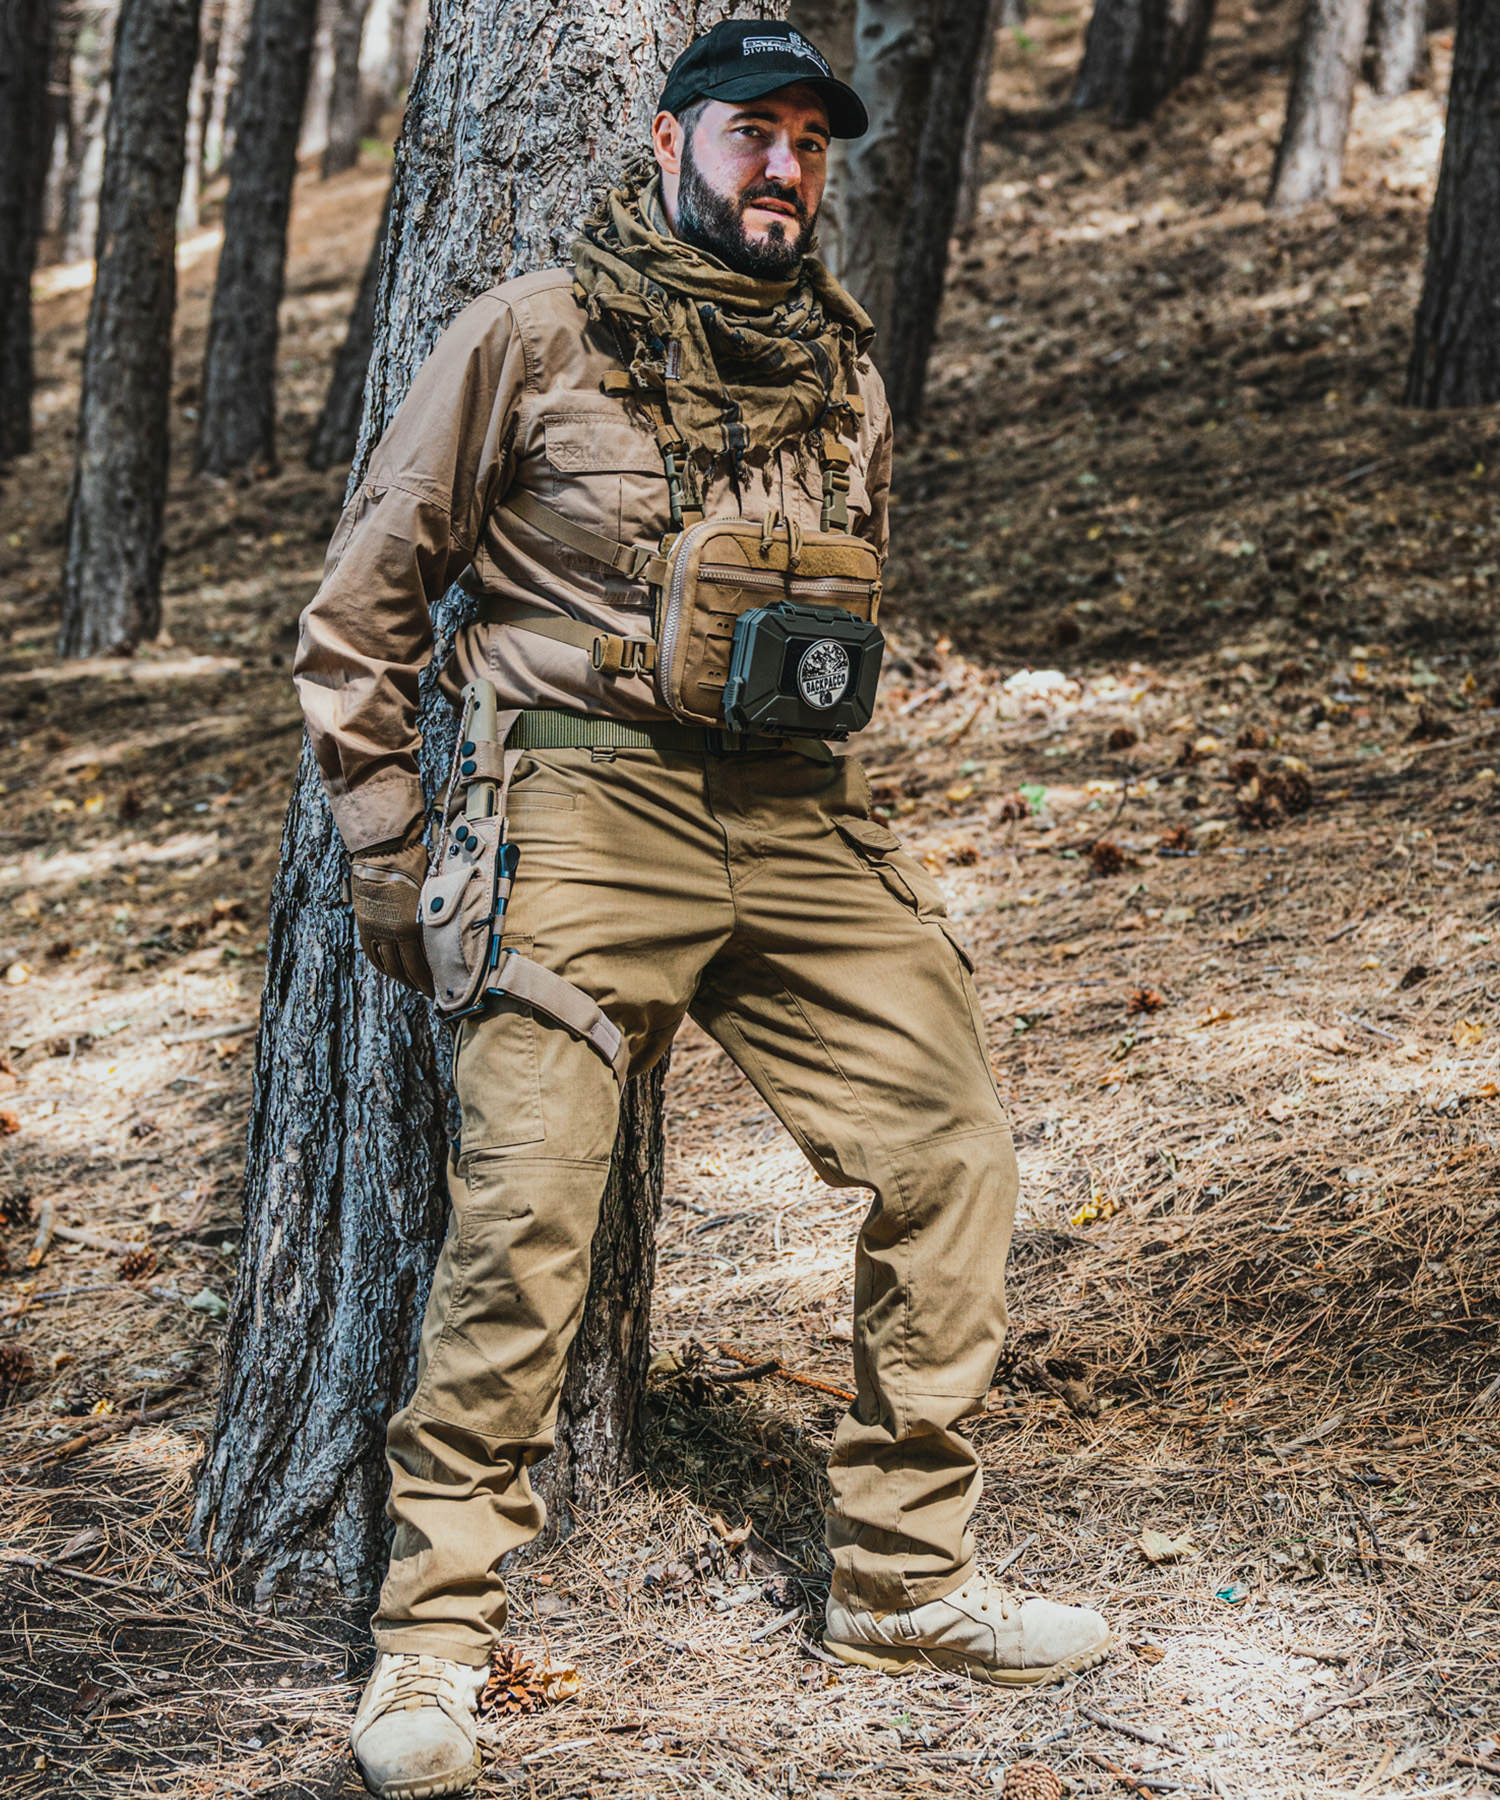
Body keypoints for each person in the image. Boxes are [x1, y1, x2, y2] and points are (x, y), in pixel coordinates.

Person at [294, 18, 1112, 1799]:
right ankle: (431, 1635)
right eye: (753, 131)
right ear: (670, 143)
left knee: (952, 1148)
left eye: (811, 140)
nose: (786, 167)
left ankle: (906, 1579)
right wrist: (388, 855)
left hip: (798, 818)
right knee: (528, 1212)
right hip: (583, 808)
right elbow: (359, 618)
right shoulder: (531, 336)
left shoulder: (842, 366)